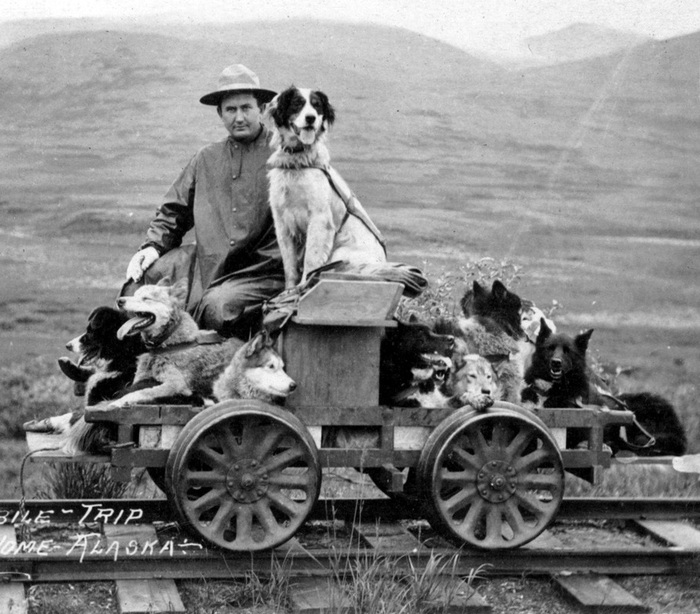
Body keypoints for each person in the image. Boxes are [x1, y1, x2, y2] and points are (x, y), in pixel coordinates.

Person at [124, 64, 285, 337]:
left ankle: (215, 360)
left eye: (246, 108)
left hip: (262, 271)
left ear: (262, 109)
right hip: (207, 264)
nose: (239, 117)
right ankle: (136, 360)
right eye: (230, 110)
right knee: (138, 285)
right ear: (220, 113)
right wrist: (152, 247)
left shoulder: (283, 154)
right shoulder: (206, 158)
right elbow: (174, 210)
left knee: (218, 307)